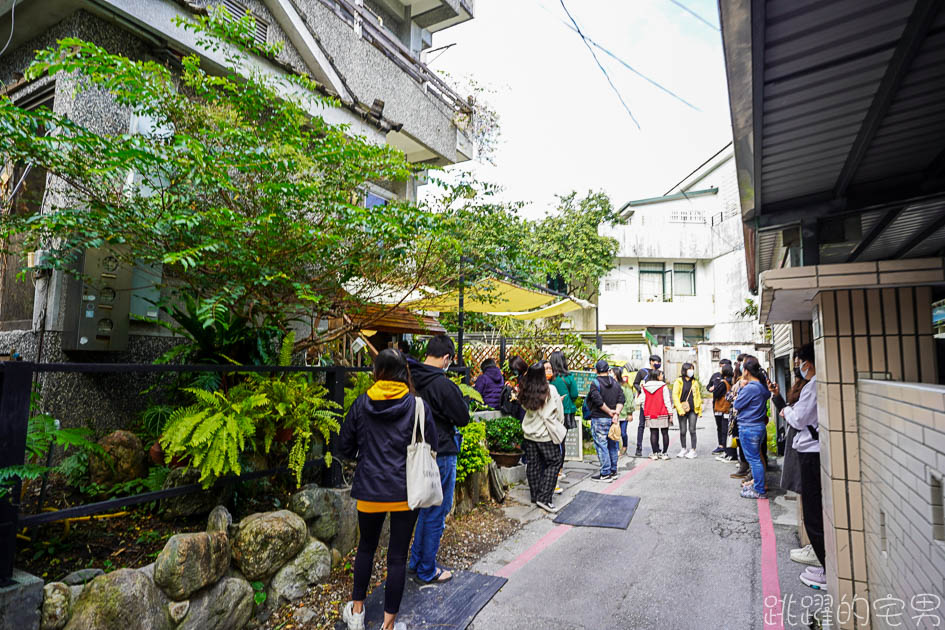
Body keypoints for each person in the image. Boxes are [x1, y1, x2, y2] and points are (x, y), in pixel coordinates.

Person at [339, 349, 438, 630]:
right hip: (407, 492)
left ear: (376, 372)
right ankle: (388, 625)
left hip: (369, 490)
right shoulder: (417, 406)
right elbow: (433, 444)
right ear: (403, 372)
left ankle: (357, 613)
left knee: (366, 549)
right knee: (396, 557)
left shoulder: (360, 404)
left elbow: (344, 447)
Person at [406, 336, 469, 585]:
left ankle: (416, 560)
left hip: (417, 451)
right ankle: (427, 569)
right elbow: (462, 417)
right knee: (436, 511)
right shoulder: (442, 384)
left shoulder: (411, 377)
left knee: (425, 509)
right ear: (446, 358)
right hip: (441, 451)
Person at [779, 343, 825, 589]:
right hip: (813, 451)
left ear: (809, 362)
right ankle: (824, 561)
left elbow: (799, 418)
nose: (799, 368)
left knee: (813, 513)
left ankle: (827, 569)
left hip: (811, 453)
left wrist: (786, 411)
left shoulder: (814, 386)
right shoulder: (818, 383)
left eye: (800, 363)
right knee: (815, 509)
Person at [520, 361, 566, 513]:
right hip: (545, 435)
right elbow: (559, 413)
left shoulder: (525, 390)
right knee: (554, 462)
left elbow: (523, 407)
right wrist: (559, 424)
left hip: (529, 433)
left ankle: (535, 495)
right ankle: (544, 498)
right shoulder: (550, 390)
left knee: (533, 464)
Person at [732, 356, 771, 499]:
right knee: (757, 458)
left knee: (754, 460)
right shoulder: (761, 386)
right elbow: (767, 395)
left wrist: (742, 389)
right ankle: (757, 484)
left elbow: (737, 405)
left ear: (747, 371)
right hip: (759, 426)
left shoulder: (750, 388)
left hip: (748, 427)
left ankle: (759, 490)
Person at [585, 359, 625, 481]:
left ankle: (605, 472)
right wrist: (616, 413)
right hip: (612, 420)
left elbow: (598, 401)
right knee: (612, 445)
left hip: (599, 419)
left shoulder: (595, 383)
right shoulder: (615, 383)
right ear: (608, 370)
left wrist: (609, 411)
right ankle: (613, 471)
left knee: (602, 445)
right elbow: (621, 399)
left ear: (596, 370)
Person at [632, 354, 662, 456]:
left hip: (655, 403)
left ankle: (656, 448)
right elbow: (635, 383)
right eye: (655, 362)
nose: (657, 364)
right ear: (651, 362)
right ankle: (638, 448)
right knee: (641, 425)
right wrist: (641, 390)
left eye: (659, 362)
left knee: (655, 426)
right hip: (645, 402)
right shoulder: (642, 372)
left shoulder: (660, 373)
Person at [672, 362, 703, 459]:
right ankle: (683, 448)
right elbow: (675, 396)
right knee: (683, 430)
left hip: (693, 409)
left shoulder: (695, 382)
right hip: (682, 409)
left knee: (692, 430)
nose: (691, 371)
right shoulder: (678, 381)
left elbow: (698, 397)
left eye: (692, 369)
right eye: (689, 369)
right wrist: (679, 409)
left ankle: (693, 450)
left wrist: (699, 410)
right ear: (684, 370)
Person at [642, 370, 672, 460]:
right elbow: (667, 401)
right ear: (657, 376)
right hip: (662, 412)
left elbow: (643, 401)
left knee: (653, 433)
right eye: (661, 374)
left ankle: (655, 453)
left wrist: (646, 410)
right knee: (665, 432)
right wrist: (670, 413)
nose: (662, 375)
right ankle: (665, 453)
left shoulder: (645, 387)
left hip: (650, 413)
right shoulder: (663, 386)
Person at [707, 359, 732, 454]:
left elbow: (717, 393)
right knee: (720, 426)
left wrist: (715, 388)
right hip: (718, 406)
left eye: (723, 366)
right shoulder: (716, 376)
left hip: (724, 406)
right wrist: (710, 388)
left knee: (725, 427)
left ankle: (726, 448)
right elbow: (708, 386)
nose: (721, 368)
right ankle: (722, 445)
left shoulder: (726, 381)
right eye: (721, 366)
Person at [712, 365, 735, 461]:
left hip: (723, 409)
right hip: (729, 409)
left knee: (724, 431)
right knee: (728, 431)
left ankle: (728, 452)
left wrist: (716, 385)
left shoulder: (723, 383)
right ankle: (728, 452)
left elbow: (716, 394)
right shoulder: (732, 381)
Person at [614, 366, 636, 456]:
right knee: (615, 433)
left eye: (614, 375)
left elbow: (630, 399)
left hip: (624, 413)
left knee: (623, 432)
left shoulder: (625, 387)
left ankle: (625, 445)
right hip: (614, 413)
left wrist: (630, 413)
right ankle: (616, 449)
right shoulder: (610, 385)